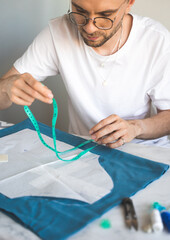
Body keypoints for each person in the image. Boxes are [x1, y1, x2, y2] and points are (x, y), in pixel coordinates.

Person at [0, 0, 170, 148]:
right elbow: (3, 95)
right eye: (80, 11)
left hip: (146, 152)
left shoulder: (157, 41)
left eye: (105, 15)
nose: (89, 27)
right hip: (84, 152)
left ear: (129, 3)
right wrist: (7, 88)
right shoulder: (58, 32)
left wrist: (136, 128)